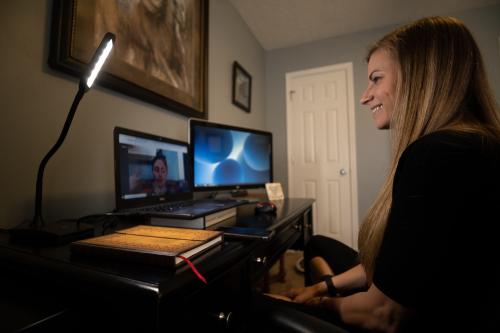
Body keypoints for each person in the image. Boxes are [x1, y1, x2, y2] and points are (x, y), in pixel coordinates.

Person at [250, 16, 500, 332]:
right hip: (424, 294)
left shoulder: (438, 153)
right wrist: (321, 286)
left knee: (248, 306)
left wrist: (321, 304)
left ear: (419, 77)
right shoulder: (479, 143)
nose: (364, 96)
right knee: (317, 244)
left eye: (376, 79)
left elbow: (384, 314)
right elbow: (405, 264)